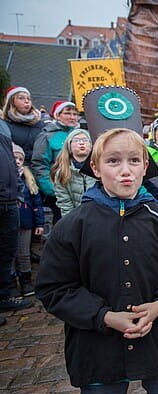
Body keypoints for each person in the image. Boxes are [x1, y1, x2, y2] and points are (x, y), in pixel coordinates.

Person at [36, 128, 158, 394]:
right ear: (95, 168)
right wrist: (104, 316)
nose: (126, 171)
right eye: (113, 161)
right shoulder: (73, 226)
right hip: (98, 349)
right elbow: (54, 288)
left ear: (145, 167)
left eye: (134, 161)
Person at [0, 135, 34, 324]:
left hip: (10, 201)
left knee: (8, 252)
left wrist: (18, 195)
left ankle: (4, 295)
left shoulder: (3, 138)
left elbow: (15, 168)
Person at [31, 100, 80, 226]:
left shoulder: (80, 135)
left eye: (75, 114)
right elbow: (39, 164)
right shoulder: (47, 136)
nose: (72, 117)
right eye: (68, 113)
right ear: (57, 115)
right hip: (58, 192)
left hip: (78, 192)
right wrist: (51, 190)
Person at [12, 144, 43, 297]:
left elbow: (37, 204)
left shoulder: (28, 179)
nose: (17, 161)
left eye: (20, 159)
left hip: (26, 222)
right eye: (14, 158)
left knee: (24, 253)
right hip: (10, 222)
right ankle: (11, 283)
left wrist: (39, 223)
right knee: (10, 254)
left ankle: (26, 281)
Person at [51, 128, 97, 217]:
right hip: (76, 217)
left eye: (85, 140)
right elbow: (64, 203)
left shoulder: (99, 169)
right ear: (69, 145)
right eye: (76, 140)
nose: (81, 143)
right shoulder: (62, 172)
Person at [2, 86, 45, 165]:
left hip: (35, 169)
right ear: (11, 102)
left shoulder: (40, 124)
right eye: (21, 98)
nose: (26, 101)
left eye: (28, 98)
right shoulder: (4, 124)